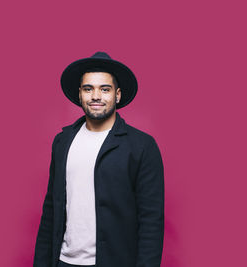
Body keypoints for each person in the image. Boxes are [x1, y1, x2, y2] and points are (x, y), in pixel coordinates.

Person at [33, 52, 164, 267]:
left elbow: (151, 222)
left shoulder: (141, 146)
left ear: (117, 95)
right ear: (80, 94)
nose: (96, 96)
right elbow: (51, 211)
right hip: (63, 262)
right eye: (88, 89)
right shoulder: (63, 142)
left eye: (105, 89)